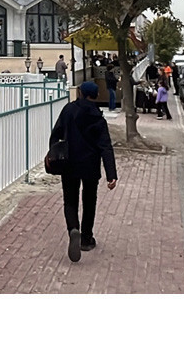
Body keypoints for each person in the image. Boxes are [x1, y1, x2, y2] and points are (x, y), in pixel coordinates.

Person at [50, 81, 118, 262]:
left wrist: (54, 153)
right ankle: (86, 239)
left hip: (69, 162)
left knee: (70, 200)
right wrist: (111, 175)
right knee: (89, 201)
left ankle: (73, 228)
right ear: (94, 96)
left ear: (80, 93)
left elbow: (56, 133)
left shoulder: (68, 110)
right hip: (90, 165)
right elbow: (106, 147)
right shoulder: (98, 117)